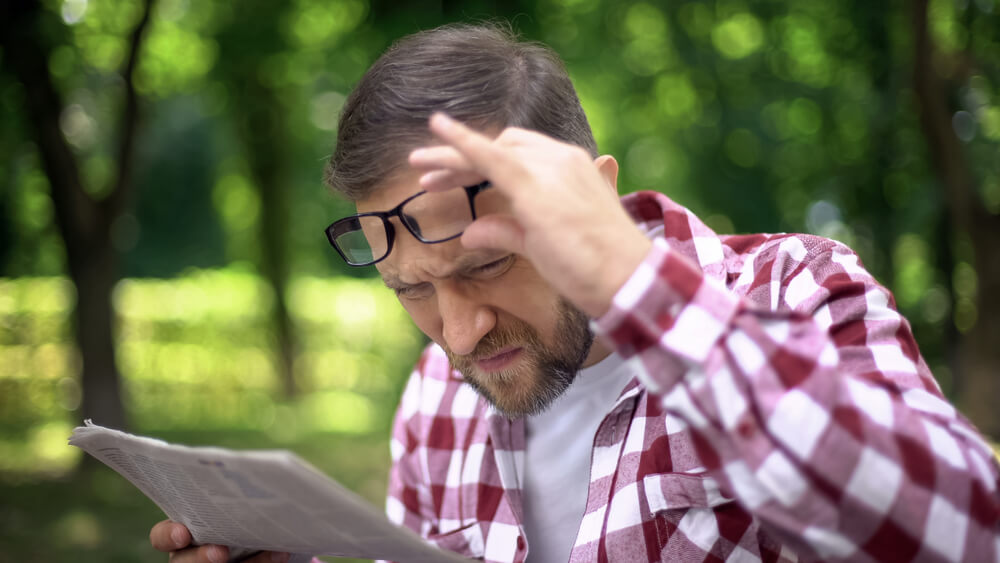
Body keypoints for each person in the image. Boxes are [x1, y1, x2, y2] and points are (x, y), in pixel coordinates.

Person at [150, 22, 1000, 563]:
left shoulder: (798, 290)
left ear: (589, 192)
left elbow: (968, 534)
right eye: (411, 289)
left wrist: (636, 282)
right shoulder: (434, 397)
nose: (459, 330)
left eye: (484, 266)